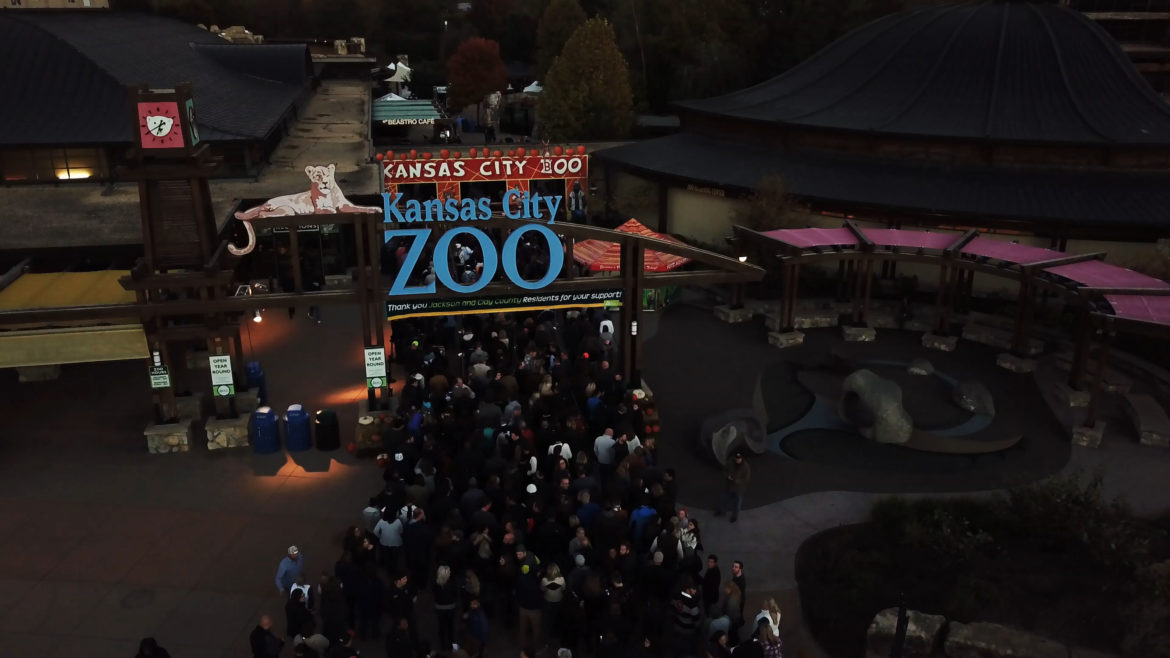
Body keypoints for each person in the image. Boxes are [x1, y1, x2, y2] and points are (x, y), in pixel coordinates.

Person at [714, 453, 750, 522]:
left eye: (739, 459)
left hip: (739, 488)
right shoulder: (730, 462)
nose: (738, 460)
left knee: (737, 503)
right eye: (736, 458)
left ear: (742, 458)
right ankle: (721, 511)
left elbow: (746, 479)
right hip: (729, 485)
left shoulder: (745, 467)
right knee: (723, 499)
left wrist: (736, 481)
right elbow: (725, 469)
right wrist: (727, 476)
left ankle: (734, 516)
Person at [434, 564, 460, 650]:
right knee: (450, 627)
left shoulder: (435, 584)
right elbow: (456, 595)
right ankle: (453, 647)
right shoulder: (452, 583)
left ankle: (443, 646)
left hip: (439, 608)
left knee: (441, 627)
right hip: (450, 608)